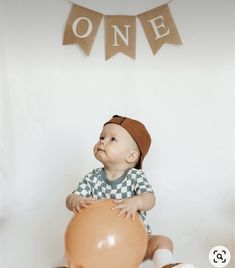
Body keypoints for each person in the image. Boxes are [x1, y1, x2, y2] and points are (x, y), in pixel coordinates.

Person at [58, 115, 194, 268]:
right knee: (75, 243)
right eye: (101, 137)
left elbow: (150, 198)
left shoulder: (135, 176)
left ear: (131, 156)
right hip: (97, 241)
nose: (102, 141)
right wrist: (74, 200)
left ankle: (166, 265)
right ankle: (68, 265)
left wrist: (136, 202)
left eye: (112, 139)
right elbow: (72, 197)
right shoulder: (93, 177)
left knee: (163, 241)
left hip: (136, 242)